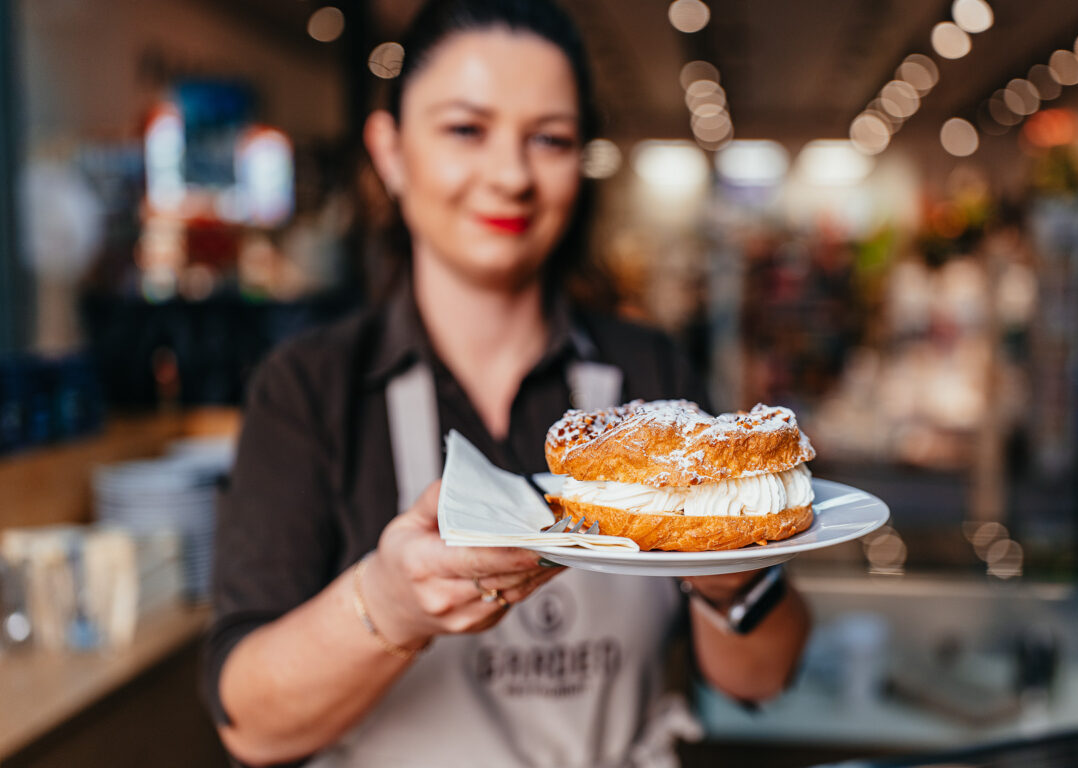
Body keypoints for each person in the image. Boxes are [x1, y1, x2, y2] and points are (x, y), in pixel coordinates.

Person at [203, 1, 810, 765]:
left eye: (550, 140)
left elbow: (761, 679)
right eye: (466, 130)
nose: (511, 175)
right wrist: (388, 604)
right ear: (389, 151)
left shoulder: (650, 376)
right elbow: (250, 725)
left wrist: (733, 580)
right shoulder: (310, 389)